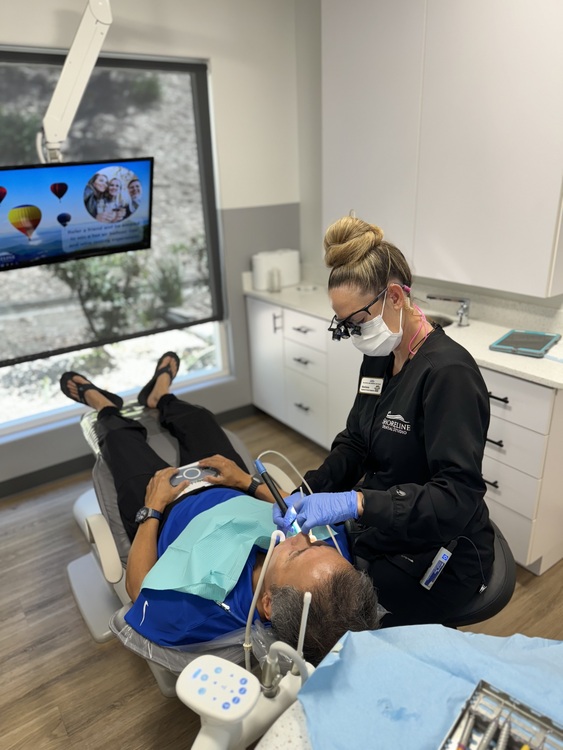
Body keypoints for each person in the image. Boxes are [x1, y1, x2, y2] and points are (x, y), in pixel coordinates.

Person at [60, 352, 379, 665]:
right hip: (230, 484)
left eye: (297, 551)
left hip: (169, 509)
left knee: (119, 439)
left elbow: (138, 589)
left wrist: (152, 508)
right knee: (198, 419)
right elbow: (295, 506)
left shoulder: (195, 614)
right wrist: (246, 482)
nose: (304, 535)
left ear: (268, 604)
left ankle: (103, 406)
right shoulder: (334, 567)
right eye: (318, 542)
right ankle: (161, 397)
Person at [274, 215, 495, 628]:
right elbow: (358, 440)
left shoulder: (448, 374)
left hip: (443, 551)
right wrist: (310, 489)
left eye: (356, 322)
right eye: (344, 325)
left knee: (342, 619)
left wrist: (355, 502)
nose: (353, 334)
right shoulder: (379, 355)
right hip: (388, 527)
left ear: (394, 297)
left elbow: (456, 496)